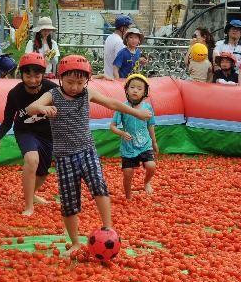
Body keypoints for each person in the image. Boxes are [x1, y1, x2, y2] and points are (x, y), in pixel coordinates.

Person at [26, 55, 152, 257]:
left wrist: (136, 113)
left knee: (99, 187)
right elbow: (31, 107)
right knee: (69, 202)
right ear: (60, 78)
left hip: (87, 151)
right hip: (64, 158)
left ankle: (108, 229)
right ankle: (75, 242)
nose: (75, 87)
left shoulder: (87, 94)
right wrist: (41, 108)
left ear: (86, 81)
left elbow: (112, 103)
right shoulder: (53, 95)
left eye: (79, 82)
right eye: (70, 82)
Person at [0, 52, 56, 216]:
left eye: (37, 75)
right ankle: (28, 205)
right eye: (28, 75)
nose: (32, 80)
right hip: (25, 131)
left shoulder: (51, 89)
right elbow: (6, 122)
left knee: (43, 173)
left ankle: (32, 193)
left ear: (42, 75)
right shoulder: (15, 94)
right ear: (21, 74)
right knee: (32, 159)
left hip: (46, 134)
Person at [109, 74, 158, 200]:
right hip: (128, 147)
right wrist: (122, 133)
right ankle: (128, 195)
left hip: (145, 144)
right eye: (132, 87)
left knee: (151, 166)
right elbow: (112, 126)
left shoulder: (147, 107)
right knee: (127, 173)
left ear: (145, 92)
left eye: (139, 88)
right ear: (127, 90)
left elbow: (150, 125)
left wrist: (154, 142)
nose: (135, 90)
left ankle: (146, 182)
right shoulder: (122, 107)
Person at [103, 15, 131, 79]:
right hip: (116, 79)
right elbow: (121, 62)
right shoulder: (119, 42)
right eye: (128, 28)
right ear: (122, 28)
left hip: (108, 76)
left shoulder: (110, 37)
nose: (129, 31)